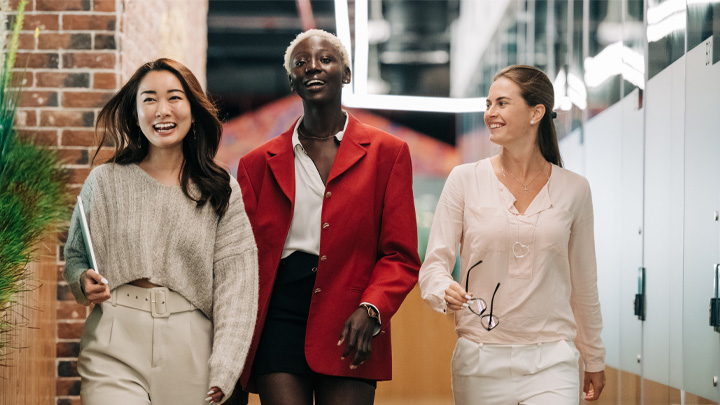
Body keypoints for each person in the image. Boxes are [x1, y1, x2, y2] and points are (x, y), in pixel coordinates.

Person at [233, 29, 420, 405]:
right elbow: (241, 257)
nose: (312, 67)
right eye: (301, 63)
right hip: (278, 317)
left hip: (353, 317)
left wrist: (373, 309)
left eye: (325, 59)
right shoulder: (255, 165)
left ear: (346, 74)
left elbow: (400, 255)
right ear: (292, 80)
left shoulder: (388, 153)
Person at [63, 58, 259, 405]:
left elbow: (237, 289)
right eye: (149, 99)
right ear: (135, 113)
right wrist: (82, 279)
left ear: (193, 109)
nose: (161, 110)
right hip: (115, 337)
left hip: (193, 346)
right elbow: (77, 255)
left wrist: (226, 366)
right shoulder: (104, 182)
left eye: (174, 98)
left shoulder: (220, 190)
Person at [418, 65, 606, 404]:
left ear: (536, 112)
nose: (490, 113)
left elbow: (584, 283)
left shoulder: (575, 190)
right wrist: (442, 289)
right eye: (488, 104)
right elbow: (434, 266)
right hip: (479, 360)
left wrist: (593, 356)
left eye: (502, 103)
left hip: (552, 361)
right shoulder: (463, 180)